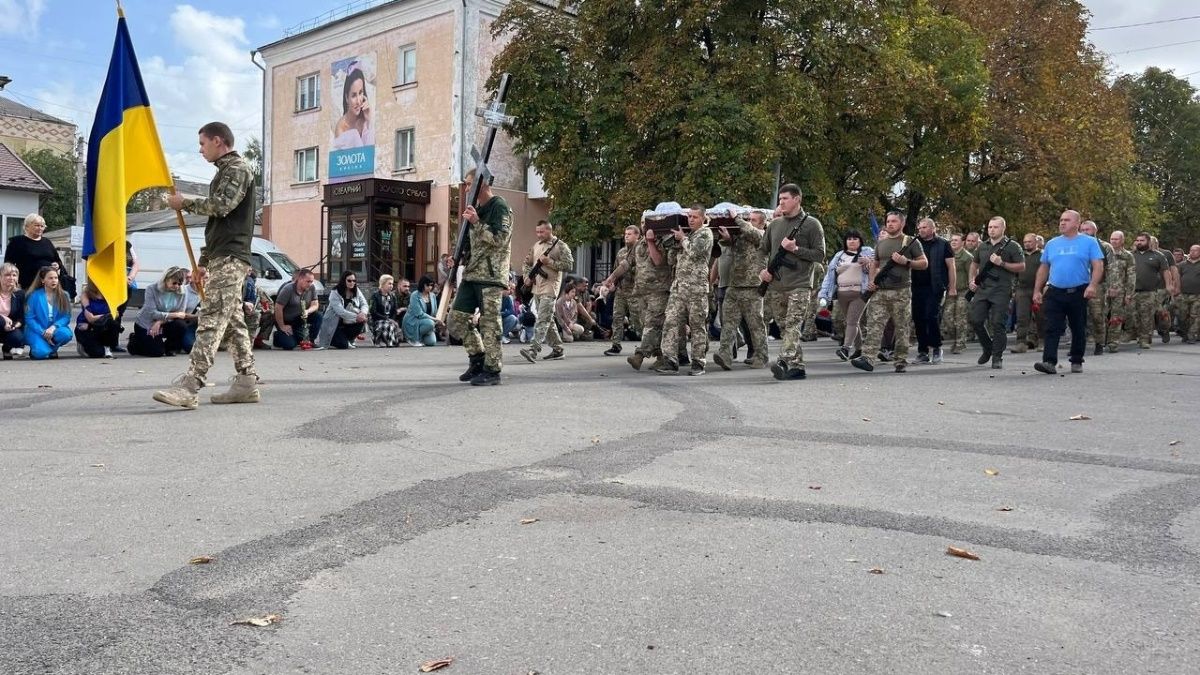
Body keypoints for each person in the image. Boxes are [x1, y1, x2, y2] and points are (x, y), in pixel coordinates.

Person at [153, 122, 261, 408]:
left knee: (211, 319)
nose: (200, 150)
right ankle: (246, 382)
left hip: (231, 256)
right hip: (221, 255)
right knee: (234, 322)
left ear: (218, 141)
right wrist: (203, 263)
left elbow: (221, 206)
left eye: (202, 144)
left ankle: (190, 386)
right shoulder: (224, 172)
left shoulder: (237, 168)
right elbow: (218, 225)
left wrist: (183, 202)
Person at [448, 168, 512, 386]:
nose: (466, 188)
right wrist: (456, 258)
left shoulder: (499, 206)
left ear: (482, 184)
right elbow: (470, 243)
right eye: (465, 184)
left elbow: (500, 239)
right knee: (455, 320)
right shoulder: (475, 209)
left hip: (491, 276)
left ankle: (493, 370)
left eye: (469, 184)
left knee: (490, 324)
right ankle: (477, 359)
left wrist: (477, 222)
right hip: (472, 273)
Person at [758, 185, 826, 380]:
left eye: (785, 198)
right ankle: (797, 367)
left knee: (793, 325)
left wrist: (796, 249)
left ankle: (783, 360)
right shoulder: (775, 225)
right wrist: (762, 271)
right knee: (783, 325)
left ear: (797, 199)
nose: (781, 202)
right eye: (780, 199)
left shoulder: (812, 224)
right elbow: (762, 250)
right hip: (777, 285)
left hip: (800, 283)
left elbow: (820, 255)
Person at [851, 211, 926, 373]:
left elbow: (924, 263)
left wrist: (906, 262)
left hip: (901, 291)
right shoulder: (881, 243)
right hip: (880, 291)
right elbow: (874, 263)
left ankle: (900, 360)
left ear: (902, 223)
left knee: (901, 327)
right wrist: (872, 281)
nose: (890, 224)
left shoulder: (910, 242)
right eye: (888, 221)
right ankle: (868, 358)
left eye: (894, 221)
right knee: (874, 324)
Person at [1031, 210, 1104, 374]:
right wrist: (1037, 290)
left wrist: (1092, 285)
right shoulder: (1052, 243)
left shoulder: (1089, 242)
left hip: (1078, 291)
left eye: (1067, 220)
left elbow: (1098, 265)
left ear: (1077, 223)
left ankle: (1077, 359)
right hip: (1055, 291)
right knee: (1052, 326)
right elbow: (1044, 267)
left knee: (1078, 326)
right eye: (1061, 220)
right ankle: (1049, 361)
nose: (1062, 223)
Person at [657, 205, 715, 375]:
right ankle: (670, 360)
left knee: (697, 326)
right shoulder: (688, 236)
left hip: (696, 289)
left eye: (695, 217)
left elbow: (695, 252)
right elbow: (670, 261)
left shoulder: (705, 233)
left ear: (703, 218)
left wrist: (682, 239)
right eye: (689, 216)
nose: (690, 219)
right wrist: (674, 242)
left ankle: (698, 362)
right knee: (671, 323)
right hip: (679, 288)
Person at [713, 210, 769, 370]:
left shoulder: (763, 235)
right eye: (748, 219)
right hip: (734, 284)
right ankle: (725, 355)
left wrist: (737, 218)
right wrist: (727, 237)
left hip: (753, 286)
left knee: (755, 324)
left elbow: (753, 233)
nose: (749, 222)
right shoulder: (742, 235)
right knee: (728, 323)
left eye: (753, 220)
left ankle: (761, 356)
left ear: (762, 223)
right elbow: (728, 244)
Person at [967, 217, 1025, 369]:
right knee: (975, 320)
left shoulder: (1012, 246)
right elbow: (974, 263)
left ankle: (997, 357)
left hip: (1001, 290)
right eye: (990, 227)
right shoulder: (983, 246)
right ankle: (988, 348)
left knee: (998, 323)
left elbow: (1021, 266)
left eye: (995, 227)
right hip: (983, 289)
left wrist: (1002, 263)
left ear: (1003, 229)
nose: (992, 230)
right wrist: (972, 280)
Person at [519, 220, 574, 362]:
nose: (539, 235)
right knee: (547, 320)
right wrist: (527, 277)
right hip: (537, 288)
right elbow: (526, 263)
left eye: (541, 232)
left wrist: (549, 262)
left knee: (543, 319)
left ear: (549, 230)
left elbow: (569, 265)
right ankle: (558, 349)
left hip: (551, 288)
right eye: (537, 232)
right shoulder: (536, 246)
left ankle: (533, 350)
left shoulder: (560, 246)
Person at [817, 230, 873, 362]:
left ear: (860, 241)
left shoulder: (867, 252)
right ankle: (859, 349)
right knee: (853, 322)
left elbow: (877, 266)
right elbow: (829, 277)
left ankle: (845, 348)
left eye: (855, 239)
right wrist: (824, 294)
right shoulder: (839, 255)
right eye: (849, 239)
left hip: (860, 293)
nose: (852, 241)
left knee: (851, 321)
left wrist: (868, 262)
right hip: (842, 293)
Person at [910, 218, 955, 364]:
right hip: (916, 286)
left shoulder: (943, 244)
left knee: (931, 316)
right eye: (919, 228)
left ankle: (936, 347)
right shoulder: (914, 243)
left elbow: (951, 267)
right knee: (918, 318)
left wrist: (952, 287)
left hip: (935, 286)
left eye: (924, 227)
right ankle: (923, 351)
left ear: (932, 229)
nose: (921, 230)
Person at [129, 267, 199, 357]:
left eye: (180, 283)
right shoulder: (151, 289)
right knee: (156, 352)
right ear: (166, 279)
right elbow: (151, 313)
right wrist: (173, 314)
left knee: (180, 325)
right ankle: (135, 341)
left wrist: (160, 321)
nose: (177, 286)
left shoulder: (183, 291)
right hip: (147, 323)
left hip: (163, 322)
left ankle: (170, 348)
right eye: (174, 283)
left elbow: (180, 314)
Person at [1079, 220, 1117, 356]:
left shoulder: (1104, 246)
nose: (1084, 232)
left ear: (1094, 231)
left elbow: (1112, 268)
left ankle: (1099, 343)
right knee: (1078, 316)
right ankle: (1078, 345)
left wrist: (1112, 286)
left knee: (1097, 315)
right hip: (1079, 285)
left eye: (1087, 230)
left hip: (1098, 286)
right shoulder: (1076, 244)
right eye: (1082, 230)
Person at [1130, 232, 1172, 350]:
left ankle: (1145, 339)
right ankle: (1137, 335)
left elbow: (1166, 271)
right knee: (1133, 315)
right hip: (1132, 291)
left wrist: (1169, 285)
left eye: (1142, 240)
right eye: (1137, 240)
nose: (1139, 242)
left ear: (1148, 242)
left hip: (1149, 291)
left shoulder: (1158, 256)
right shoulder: (1130, 255)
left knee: (1146, 316)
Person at [604, 225, 641, 355]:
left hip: (635, 291)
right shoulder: (621, 252)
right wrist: (613, 283)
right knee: (617, 317)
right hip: (621, 290)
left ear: (637, 235)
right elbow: (616, 270)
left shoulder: (640, 250)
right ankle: (616, 345)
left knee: (637, 319)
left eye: (630, 234)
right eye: (625, 233)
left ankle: (647, 344)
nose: (626, 236)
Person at [4, 213, 65, 291]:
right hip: (27, 285)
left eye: (42, 226)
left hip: (48, 286)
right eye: (37, 225)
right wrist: (15, 283)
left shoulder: (47, 242)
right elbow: (8, 265)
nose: (40, 228)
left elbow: (58, 260)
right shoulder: (17, 242)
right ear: (27, 226)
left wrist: (57, 265)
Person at [23, 265, 72, 359]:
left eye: (56, 278)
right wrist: (43, 332)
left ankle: (52, 349)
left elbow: (66, 316)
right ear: (42, 280)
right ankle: (42, 348)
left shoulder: (64, 295)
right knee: (40, 354)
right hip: (37, 330)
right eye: (50, 278)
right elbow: (29, 318)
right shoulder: (34, 295)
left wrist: (53, 327)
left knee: (65, 334)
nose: (54, 280)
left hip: (54, 328)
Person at [316, 270, 369, 349]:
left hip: (348, 322)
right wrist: (357, 317)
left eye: (354, 281)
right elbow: (340, 311)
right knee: (343, 345)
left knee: (361, 322)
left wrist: (363, 313)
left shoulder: (356, 290)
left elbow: (364, 303)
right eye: (349, 280)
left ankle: (349, 339)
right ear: (344, 281)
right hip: (334, 325)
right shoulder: (335, 292)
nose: (352, 283)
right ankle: (334, 340)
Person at [1104, 231, 1137, 352]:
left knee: (1116, 317)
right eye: (1112, 239)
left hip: (1120, 291)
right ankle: (1101, 340)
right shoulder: (1104, 254)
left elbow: (1131, 275)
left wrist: (1129, 294)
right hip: (1104, 290)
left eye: (1116, 239)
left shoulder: (1128, 256)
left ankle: (1113, 343)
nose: (1113, 241)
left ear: (1122, 241)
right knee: (1100, 316)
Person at [273, 269, 321, 350]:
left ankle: (310, 340)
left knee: (318, 316)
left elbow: (315, 305)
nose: (310, 284)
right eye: (308, 281)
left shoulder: (312, 288)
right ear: (300, 279)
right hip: (286, 320)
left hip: (300, 318)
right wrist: (282, 326)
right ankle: (277, 336)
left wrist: (307, 311)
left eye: (311, 281)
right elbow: (278, 307)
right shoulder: (288, 289)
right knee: (290, 345)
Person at [1010, 233, 1042, 354]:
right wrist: (1014, 289)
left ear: (1036, 242)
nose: (1027, 244)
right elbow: (1014, 274)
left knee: (1041, 317)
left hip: (1038, 289)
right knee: (1022, 317)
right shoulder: (1020, 256)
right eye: (1025, 242)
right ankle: (1021, 343)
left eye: (1030, 241)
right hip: (1022, 289)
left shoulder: (1042, 255)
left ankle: (1042, 341)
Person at [943, 233, 972, 354]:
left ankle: (961, 343)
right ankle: (955, 339)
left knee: (961, 317)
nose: (953, 242)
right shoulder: (948, 254)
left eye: (956, 240)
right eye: (951, 240)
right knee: (947, 317)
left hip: (963, 290)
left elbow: (971, 274)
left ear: (962, 242)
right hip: (950, 290)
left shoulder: (967, 257)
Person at [74, 282, 120, 358]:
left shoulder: (110, 294)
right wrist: (108, 315)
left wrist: (107, 317)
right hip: (87, 326)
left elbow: (116, 314)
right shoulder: (86, 294)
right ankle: (82, 345)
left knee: (114, 324)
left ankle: (107, 347)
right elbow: (90, 318)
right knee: (97, 353)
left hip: (101, 326)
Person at [332, 65, 374, 149]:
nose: (359, 101)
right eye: (354, 95)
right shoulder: (341, 128)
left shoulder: (366, 119)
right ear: (347, 98)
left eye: (361, 92)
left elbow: (373, 153)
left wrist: (369, 120)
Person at [404, 275, 440, 346]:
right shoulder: (415, 295)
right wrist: (434, 319)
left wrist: (438, 320)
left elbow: (434, 311)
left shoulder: (432, 295)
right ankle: (413, 339)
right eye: (428, 285)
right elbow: (419, 314)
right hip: (413, 321)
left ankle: (419, 338)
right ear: (423, 284)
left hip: (427, 322)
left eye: (431, 285)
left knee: (432, 342)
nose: (430, 287)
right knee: (430, 323)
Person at [0, 262, 27, 359]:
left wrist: (14, 326)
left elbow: (22, 317)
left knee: (18, 339)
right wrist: (4, 319)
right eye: (7, 275)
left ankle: (7, 348)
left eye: (14, 275)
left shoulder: (20, 294)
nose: (11, 278)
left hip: (11, 327)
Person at [369, 274, 404, 347]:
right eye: (389, 283)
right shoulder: (375, 296)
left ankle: (385, 341)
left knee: (391, 324)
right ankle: (380, 340)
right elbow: (373, 312)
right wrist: (387, 319)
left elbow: (394, 311)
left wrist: (393, 319)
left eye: (392, 284)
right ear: (382, 284)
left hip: (390, 320)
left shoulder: (392, 296)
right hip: (377, 320)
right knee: (388, 325)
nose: (391, 286)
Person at [1178, 244, 1200, 344]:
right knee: (1182, 315)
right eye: (1191, 250)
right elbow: (1177, 278)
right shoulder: (1182, 265)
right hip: (1183, 294)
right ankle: (1185, 333)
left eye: (1195, 250)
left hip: (1197, 295)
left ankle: (1192, 335)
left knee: (1194, 316)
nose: (1192, 252)